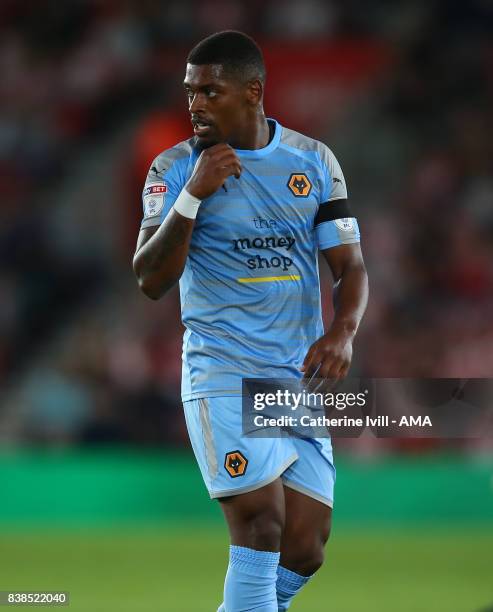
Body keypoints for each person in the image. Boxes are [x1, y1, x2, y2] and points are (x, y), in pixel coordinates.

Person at [133, 30, 368, 612]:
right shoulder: (173, 168)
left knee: (305, 546)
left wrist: (342, 332)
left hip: (296, 378)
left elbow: (350, 266)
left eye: (210, 91)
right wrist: (193, 195)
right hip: (222, 371)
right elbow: (150, 279)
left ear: (253, 91)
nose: (195, 104)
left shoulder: (312, 162)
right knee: (261, 524)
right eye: (190, 92)